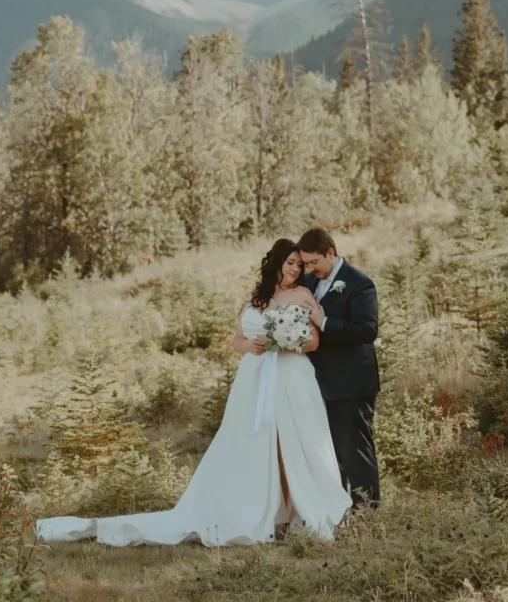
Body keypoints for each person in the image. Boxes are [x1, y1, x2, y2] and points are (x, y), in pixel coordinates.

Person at [36, 239, 351, 547]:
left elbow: (313, 342)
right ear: (276, 264)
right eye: (291, 263)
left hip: (291, 377)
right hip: (255, 380)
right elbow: (236, 341)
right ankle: (267, 514)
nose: (296, 269)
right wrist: (254, 346)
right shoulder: (256, 299)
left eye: (299, 264)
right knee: (255, 447)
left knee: (291, 445)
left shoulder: (302, 294)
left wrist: (284, 341)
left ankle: (298, 515)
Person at [297, 227, 381, 508]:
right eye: (306, 263)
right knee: (331, 454)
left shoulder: (359, 283)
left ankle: (367, 513)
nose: (309, 268)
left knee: (355, 452)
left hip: (351, 383)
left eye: (314, 262)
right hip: (318, 382)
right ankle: (339, 511)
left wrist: (324, 323)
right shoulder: (308, 283)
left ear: (330, 253)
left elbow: (367, 330)